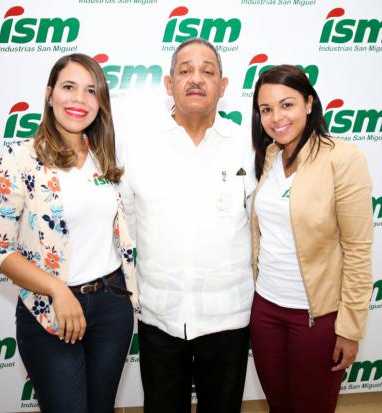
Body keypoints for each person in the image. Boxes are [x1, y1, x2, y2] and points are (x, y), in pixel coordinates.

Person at [0, 53, 139, 413]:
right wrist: (57, 290)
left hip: (112, 306)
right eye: (69, 87)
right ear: (50, 93)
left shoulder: (105, 156)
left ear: (100, 102)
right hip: (49, 310)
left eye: (90, 91)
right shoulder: (20, 159)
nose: (79, 100)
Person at [119, 38, 256, 413]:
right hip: (160, 315)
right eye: (185, 70)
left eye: (207, 71)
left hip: (227, 316)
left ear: (223, 86)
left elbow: (258, 226)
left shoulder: (248, 145)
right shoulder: (139, 146)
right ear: (168, 84)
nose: (196, 79)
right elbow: (128, 222)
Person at [249, 65, 373, 413]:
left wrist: (350, 328)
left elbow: (358, 250)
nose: (276, 118)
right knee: (279, 405)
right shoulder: (271, 156)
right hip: (266, 310)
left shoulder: (342, 158)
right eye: (266, 109)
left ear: (309, 103)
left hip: (317, 317)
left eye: (286, 105)